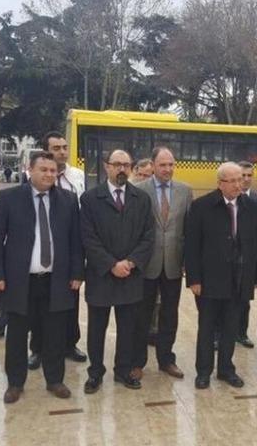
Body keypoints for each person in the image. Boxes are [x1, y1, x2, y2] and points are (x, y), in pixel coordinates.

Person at [0, 151, 84, 403]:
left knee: (55, 334)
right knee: (17, 335)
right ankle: (15, 383)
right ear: (30, 170)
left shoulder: (69, 200)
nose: (49, 175)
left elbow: (76, 241)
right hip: (20, 281)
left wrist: (76, 273)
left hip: (57, 280)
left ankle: (55, 380)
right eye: (44, 170)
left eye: (53, 171)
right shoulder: (10, 198)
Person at [80, 149, 155, 394]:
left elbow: (148, 236)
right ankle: (95, 373)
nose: (122, 169)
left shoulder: (142, 199)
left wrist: (130, 263)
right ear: (106, 167)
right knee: (97, 329)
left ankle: (123, 370)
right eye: (117, 164)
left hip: (130, 276)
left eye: (126, 165)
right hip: (101, 275)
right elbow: (88, 238)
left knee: (127, 328)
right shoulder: (90, 199)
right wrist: (112, 264)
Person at [185, 162, 257, 389]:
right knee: (208, 327)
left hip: (240, 278)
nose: (240, 184)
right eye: (233, 181)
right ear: (220, 183)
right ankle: (203, 371)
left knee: (231, 327)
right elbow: (192, 246)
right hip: (210, 279)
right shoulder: (202, 207)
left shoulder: (252, 207)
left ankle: (226, 369)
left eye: (241, 179)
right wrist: (194, 279)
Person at [26, 131, 87, 369]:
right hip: (41, 248)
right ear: (45, 152)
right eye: (56, 148)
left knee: (70, 302)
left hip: (70, 244)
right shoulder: (31, 177)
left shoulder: (77, 176)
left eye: (64, 147)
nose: (62, 151)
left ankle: (70, 344)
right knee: (38, 307)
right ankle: (38, 349)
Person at [132, 146, 193, 380]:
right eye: (163, 165)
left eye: (171, 165)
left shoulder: (184, 191)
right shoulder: (138, 190)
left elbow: (188, 229)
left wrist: (188, 263)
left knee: (170, 314)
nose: (168, 169)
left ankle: (166, 359)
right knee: (142, 314)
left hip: (174, 264)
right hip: (146, 263)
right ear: (153, 166)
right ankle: (138, 361)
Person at [234, 160, 257, 348]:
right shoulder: (226, 198)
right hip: (228, 260)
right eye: (243, 175)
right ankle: (218, 334)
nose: (246, 179)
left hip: (248, 260)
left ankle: (241, 333)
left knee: (244, 300)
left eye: (250, 175)